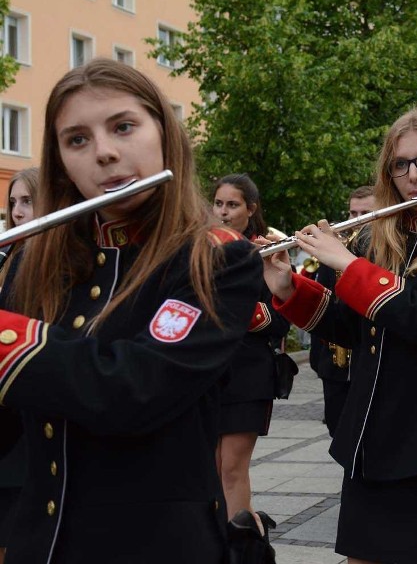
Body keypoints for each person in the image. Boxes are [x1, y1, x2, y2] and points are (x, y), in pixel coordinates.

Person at [0, 59, 263, 562]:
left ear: (164, 133)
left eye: (123, 126)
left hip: (156, 546)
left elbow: (134, 390)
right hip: (41, 544)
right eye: (77, 139)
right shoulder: (31, 263)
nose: (104, 152)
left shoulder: (217, 259)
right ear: (59, 161)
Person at [260, 104, 417, 563]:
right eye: (401, 164)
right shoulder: (377, 239)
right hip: (371, 432)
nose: (414, 175)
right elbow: (353, 327)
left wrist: (347, 263)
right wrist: (290, 287)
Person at [212, 174, 292, 520]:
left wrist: (231, 310)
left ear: (251, 209)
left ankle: (242, 548)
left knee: (231, 468)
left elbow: (282, 321)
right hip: (209, 372)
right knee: (210, 468)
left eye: (232, 205)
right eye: (218, 204)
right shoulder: (204, 249)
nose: (224, 212)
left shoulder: (266, 251)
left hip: (248, 374)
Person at [307, 185, 376, 437]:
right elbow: (322, 302)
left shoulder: (383, 254)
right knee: (338, 433)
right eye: (352, 213)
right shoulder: (330, 253)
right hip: (333, 366)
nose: (355, 221)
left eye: (364, 214)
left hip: (365, 360)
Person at [0, 167, 38, 564]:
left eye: (27, 201)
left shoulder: (41, 256)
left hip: (24, 407)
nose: (16, 212)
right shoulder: (14, 254)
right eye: (13, 203)